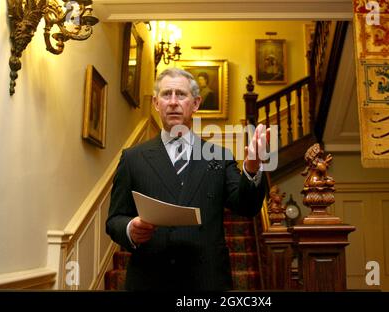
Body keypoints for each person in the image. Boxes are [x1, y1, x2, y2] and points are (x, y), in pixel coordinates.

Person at [106, 68, 269, 291]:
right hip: (150, 280)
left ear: (196, 103)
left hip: (206, 281)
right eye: (166, 94)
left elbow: (247, 206)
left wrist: (252, 167)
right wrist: (129, 228)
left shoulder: (220, 157)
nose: (173, 102)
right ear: (155, 103)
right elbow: (114, 219)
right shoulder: (133, 158)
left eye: (181, 94)